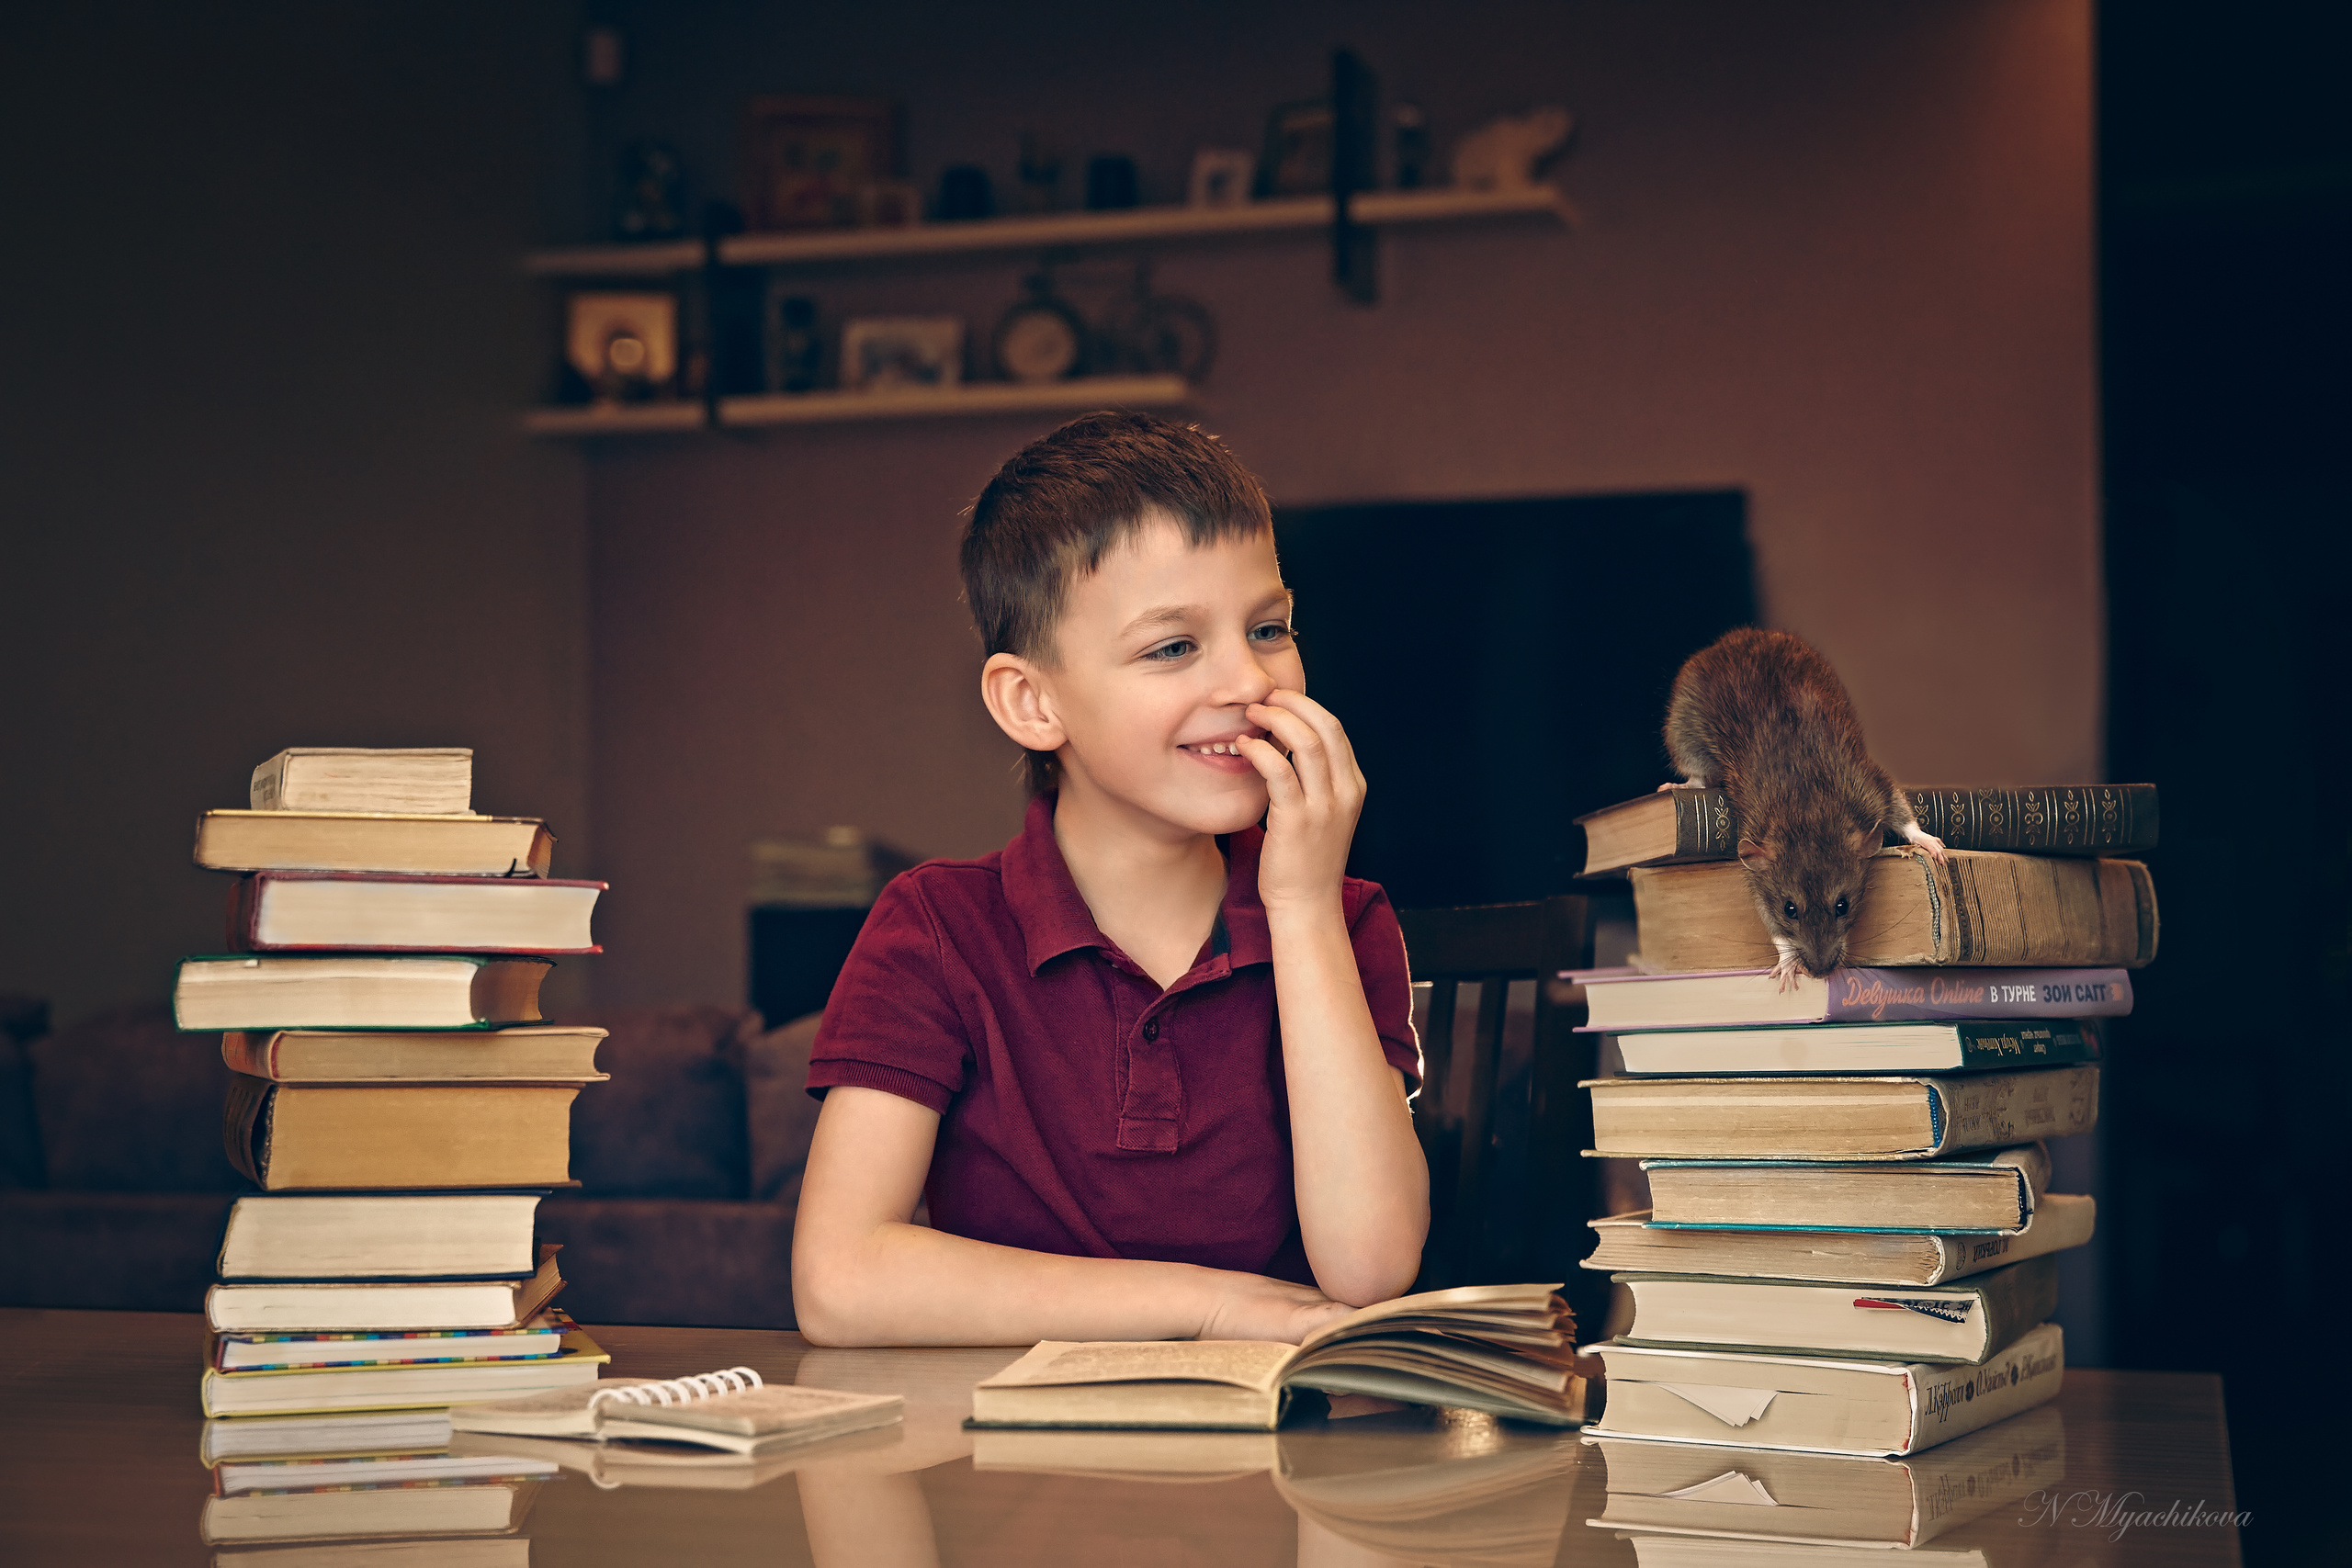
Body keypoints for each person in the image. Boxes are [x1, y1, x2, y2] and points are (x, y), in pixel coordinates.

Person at [792, 412, 1428, 1348]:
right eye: (1174, 646)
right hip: (1002, 1463)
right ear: (1031, 702)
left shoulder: (1342, 920)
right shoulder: (935, 925)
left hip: (1273, 1467)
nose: (1249, 679)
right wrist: (1208, 1305)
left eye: (1269, 628)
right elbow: (839, 1283)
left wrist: (1297, 907)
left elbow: (1369, 1269)